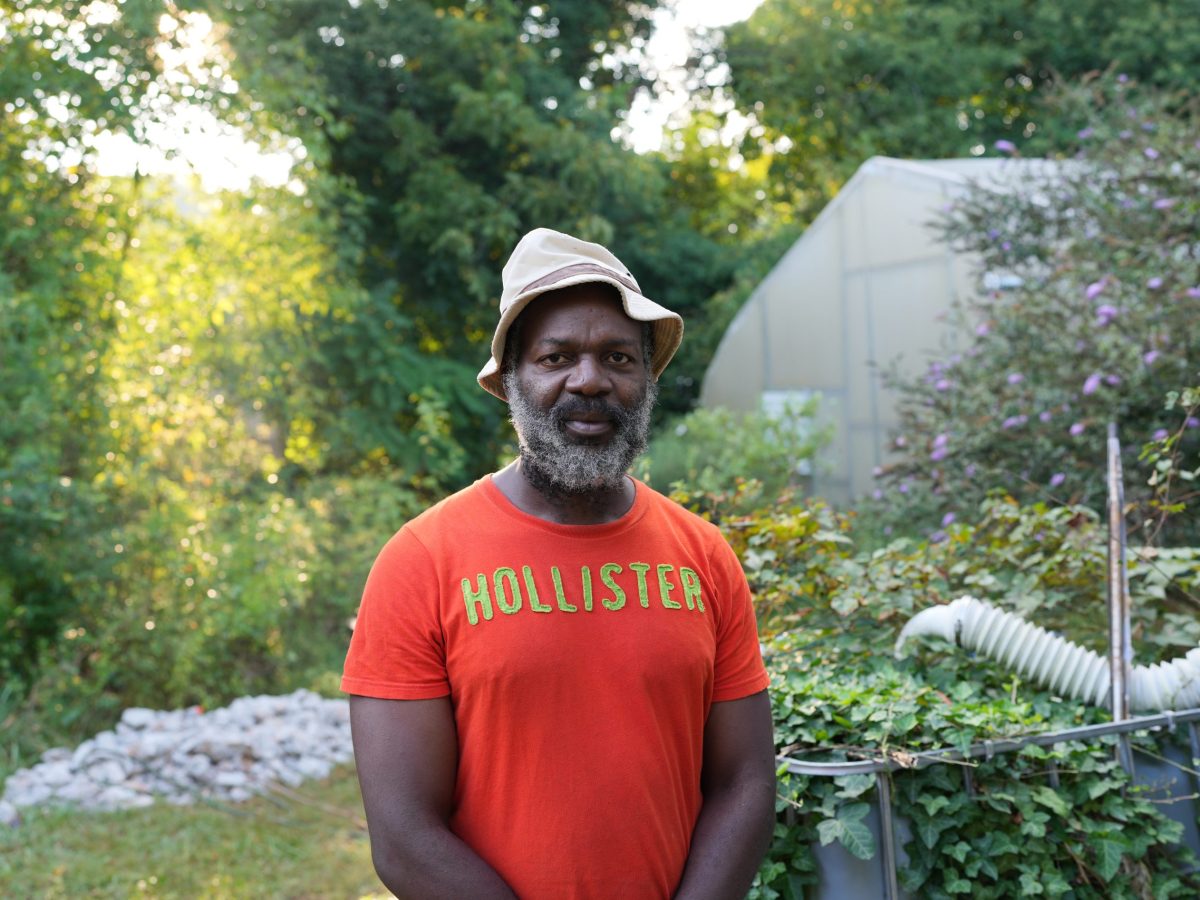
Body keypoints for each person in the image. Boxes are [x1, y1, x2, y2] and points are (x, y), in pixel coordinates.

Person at [342, 228, 776, 899]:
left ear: (646, 379)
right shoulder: (423, 561)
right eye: (557, 357)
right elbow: (404, 836)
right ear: (512, 379)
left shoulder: (704, 556)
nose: (590, 379)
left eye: (618, 357)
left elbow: (743, 783)